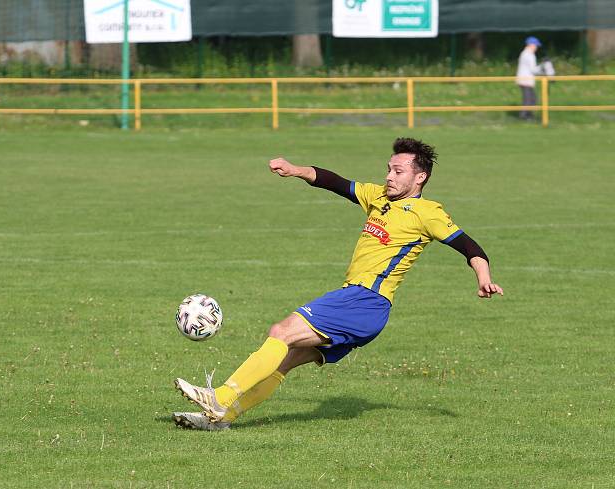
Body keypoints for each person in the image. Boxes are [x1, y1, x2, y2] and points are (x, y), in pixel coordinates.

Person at [172, 138, 504, 431]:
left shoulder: (427, 212)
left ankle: (219, 397)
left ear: (420, 177)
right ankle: (222, 419)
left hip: (366, 301)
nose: (389, 176)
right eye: (389, 168)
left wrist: (483, 276)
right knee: (285, 359)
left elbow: (470, 247)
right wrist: (295, 169)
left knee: (281, 332)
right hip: (359, 304)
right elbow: (335, 182)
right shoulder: (378, 197)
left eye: (398, 171)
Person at [516, 36, 544, 121]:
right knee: (529, 99)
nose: (536, 47)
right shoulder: (530, 55)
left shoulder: (524, 53)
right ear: (531, 45)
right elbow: (533, 70)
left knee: (531, 99)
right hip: (526, 80)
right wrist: (543, 67)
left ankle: (528, 115)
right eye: (535, 45)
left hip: (524, 80)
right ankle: (524, 116)